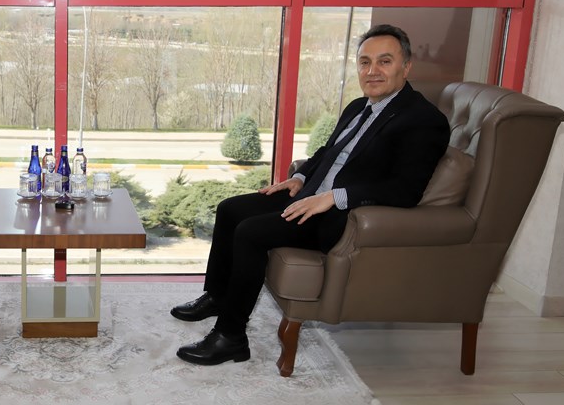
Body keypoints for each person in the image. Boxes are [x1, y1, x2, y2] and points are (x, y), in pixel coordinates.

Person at [171, 24, 449, 365]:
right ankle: (218, 297)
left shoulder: (423, 120)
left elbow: (405, 190)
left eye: (384, 61)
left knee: (250, 232)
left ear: (406, 67)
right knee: (230, 209)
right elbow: (328, 152)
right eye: (364, 62)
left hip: (340, 216)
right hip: (311, 195)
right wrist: (300, 178)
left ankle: (231, 337)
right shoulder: (358, 106)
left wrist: (334, 197)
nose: (372, 71)